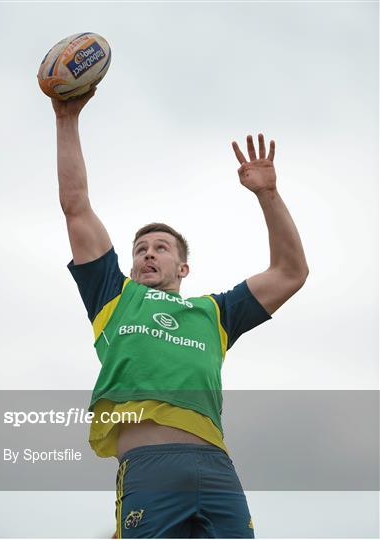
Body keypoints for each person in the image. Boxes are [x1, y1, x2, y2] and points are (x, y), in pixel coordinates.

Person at [51, 88, 309, 539]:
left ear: (182, 267)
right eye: (140, 249)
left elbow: (291, 272)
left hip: (216, 468)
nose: (148, 254)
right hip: (150, 470)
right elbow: (76, 206)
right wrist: (66, 119)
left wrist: (268, 194)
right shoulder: (113, 296)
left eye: (161, 248)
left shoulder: (216, 312)